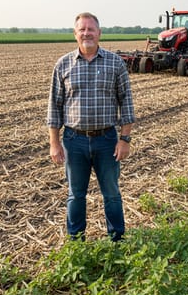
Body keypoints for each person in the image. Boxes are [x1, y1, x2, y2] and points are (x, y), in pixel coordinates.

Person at [47, 12, 135, 242]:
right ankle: (77, 242)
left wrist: (124, 139)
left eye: (91, 29)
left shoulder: (115, 62)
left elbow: (126, 102)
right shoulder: (63, 64)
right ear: (75, 34)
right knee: (75, 195)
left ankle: (117, 241)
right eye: (82, 29)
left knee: (112, 194)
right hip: (74, 141)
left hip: (107, 140)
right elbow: (54, 106)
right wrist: (54, 143)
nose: (87, 33)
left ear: (99, 33)